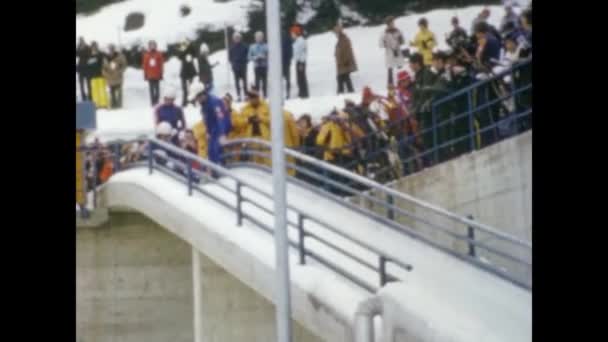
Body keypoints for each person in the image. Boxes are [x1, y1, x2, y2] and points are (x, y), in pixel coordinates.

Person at [188, 82, 230, 169]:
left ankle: (220, 171)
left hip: (219, 131)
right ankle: (214, 172)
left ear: (201, 95)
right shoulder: (204, 105)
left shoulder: (214, 102)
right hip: (212, 132)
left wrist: (222, 134)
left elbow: (220, 119)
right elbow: (208, 120)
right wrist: (208, 132)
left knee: (215, 152)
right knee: (211, 153)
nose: (197, 101)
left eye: (197, 98)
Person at [240, 87, 271, 165]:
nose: (252, 99)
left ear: (258, 97)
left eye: (254, 97)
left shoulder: (267, 107)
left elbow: (272, 120)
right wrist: (248, 120)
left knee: (268, 160)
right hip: (252, 139)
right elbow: (239, 122)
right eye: (250, 97)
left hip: (265, 138)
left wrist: (261, 118)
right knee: (255, 162)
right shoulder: (244, 109)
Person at [379, 16, 405, 86]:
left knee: (400, 68)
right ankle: (390, 85)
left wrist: (400, 40)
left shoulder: (398, 31)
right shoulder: (384, 33)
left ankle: (402, 83)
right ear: (387, 24)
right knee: (390, 70)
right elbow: (381, 44)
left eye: (393, 22)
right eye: (391, 23)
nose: (392, 24)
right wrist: (384, 43)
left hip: (397, 52)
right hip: (390, 53)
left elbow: (402, 41)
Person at [334, 24, 358, 94]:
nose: (335, 34)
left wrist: (345, 61)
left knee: (341, 79)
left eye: (336, 32)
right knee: (345, 79)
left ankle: (341, 93)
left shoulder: (344, 39)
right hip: (342, 64)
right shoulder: (341, 39)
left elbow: (347, 51)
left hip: (344, 64)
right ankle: (349, 92)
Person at [102, 44, 127, 109]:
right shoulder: (106, 58)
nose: (111, 50)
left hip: (118, 77)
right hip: (110, 78)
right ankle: (113, 104)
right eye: (110, 49)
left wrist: (119, 72)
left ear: (114, 49)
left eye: (112, 49)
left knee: (119, 92)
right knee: (112, 92)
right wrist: (105, 74)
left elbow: (124, 65)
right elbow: (103, 68)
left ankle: (119, 105)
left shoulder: (120, 56)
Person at [142, 40, 165, 106]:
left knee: (157, 90)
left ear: (155, 46)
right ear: (149, 46)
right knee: (151, 90)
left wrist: (161, 73)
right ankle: (152, 102)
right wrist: (145, 74)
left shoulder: (159, 54)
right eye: (151, 45)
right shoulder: (146, 55)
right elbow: (145, 65)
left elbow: (161, 64)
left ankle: (156, 101)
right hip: (150, 75)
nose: (152, 47)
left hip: (157, 74)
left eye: (153, 45)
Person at [88, 42, 109, 109]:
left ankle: (103, 104)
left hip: (100, 75)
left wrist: (104, 69)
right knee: (94, 91)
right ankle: (96, 104)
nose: (94, 48)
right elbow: (88, 64)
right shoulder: (89, 55)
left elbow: (105, 63)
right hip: (92, 76)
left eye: (95, 46)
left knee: (102, 90)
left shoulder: (101, 54)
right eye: (92, 46)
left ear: (97, 47)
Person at [177, 38, 198, 107]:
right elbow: (179, 56)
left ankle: (192, 101)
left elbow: (195, 54)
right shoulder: (182, 48)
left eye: (187, 42)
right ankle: (185, 101)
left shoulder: (191, 48)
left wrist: (190, 45)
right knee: (184, 88)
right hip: (184, 70)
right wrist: (183, 48)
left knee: (191, 87)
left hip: (191, 70)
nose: (186, 43)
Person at [229, 32, 249, 101]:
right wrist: (233, 64)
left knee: (244, 82)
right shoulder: (232, 48)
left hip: (243, 66)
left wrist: (245, 61)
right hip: (235, 67)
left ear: (240, 38)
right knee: (237, 82)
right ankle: (238, 96)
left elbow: (248, 56)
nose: (237, 39)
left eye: (238, 37)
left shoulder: (245, 46)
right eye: (235, 38)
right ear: (233, 39)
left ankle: (246, 95)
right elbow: (230, 58)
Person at [248, 31, 269, 97]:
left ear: (263, 38)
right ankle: (257, 95)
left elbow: (270, 55)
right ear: (255, 38)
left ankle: (265, 95)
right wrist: (255, 57)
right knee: (257, 81)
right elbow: (249, 57)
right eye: (257, 37)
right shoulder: (252, 46)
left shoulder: (266, 46)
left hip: (264, 65)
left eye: (260, 37)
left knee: (264, 81)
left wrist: (264, 57)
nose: (259, 38)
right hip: (256, 66)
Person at [291, 26, 309, 99]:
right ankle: (302, 92)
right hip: (298, 61)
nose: (292, 35)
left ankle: (304, 93)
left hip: (301, 62)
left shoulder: (301, 41)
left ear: (296, 33)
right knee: (299, 78)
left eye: (292, 34)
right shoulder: (297, 41)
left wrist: (301, 62)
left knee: (301, 78)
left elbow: (303, 53)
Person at [76, 37, 91, 101]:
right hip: (80, 69)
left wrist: (82, 50)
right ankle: (83, 96)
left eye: (82, 41)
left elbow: (89, 55)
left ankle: (90, 96)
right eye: (80, 41)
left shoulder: (87, 47)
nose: (81, 42)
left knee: (88, 84)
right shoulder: (78, 48)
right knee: (81, 85)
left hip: (87, 68)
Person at [282, 30, 293, 99]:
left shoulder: (287, 38)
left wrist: (289, 59)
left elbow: (290, 50)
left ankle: (288, 93)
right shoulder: (276, 37)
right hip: (279, 63)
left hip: (286, 62)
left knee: (287, 79)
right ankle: (282, 93)